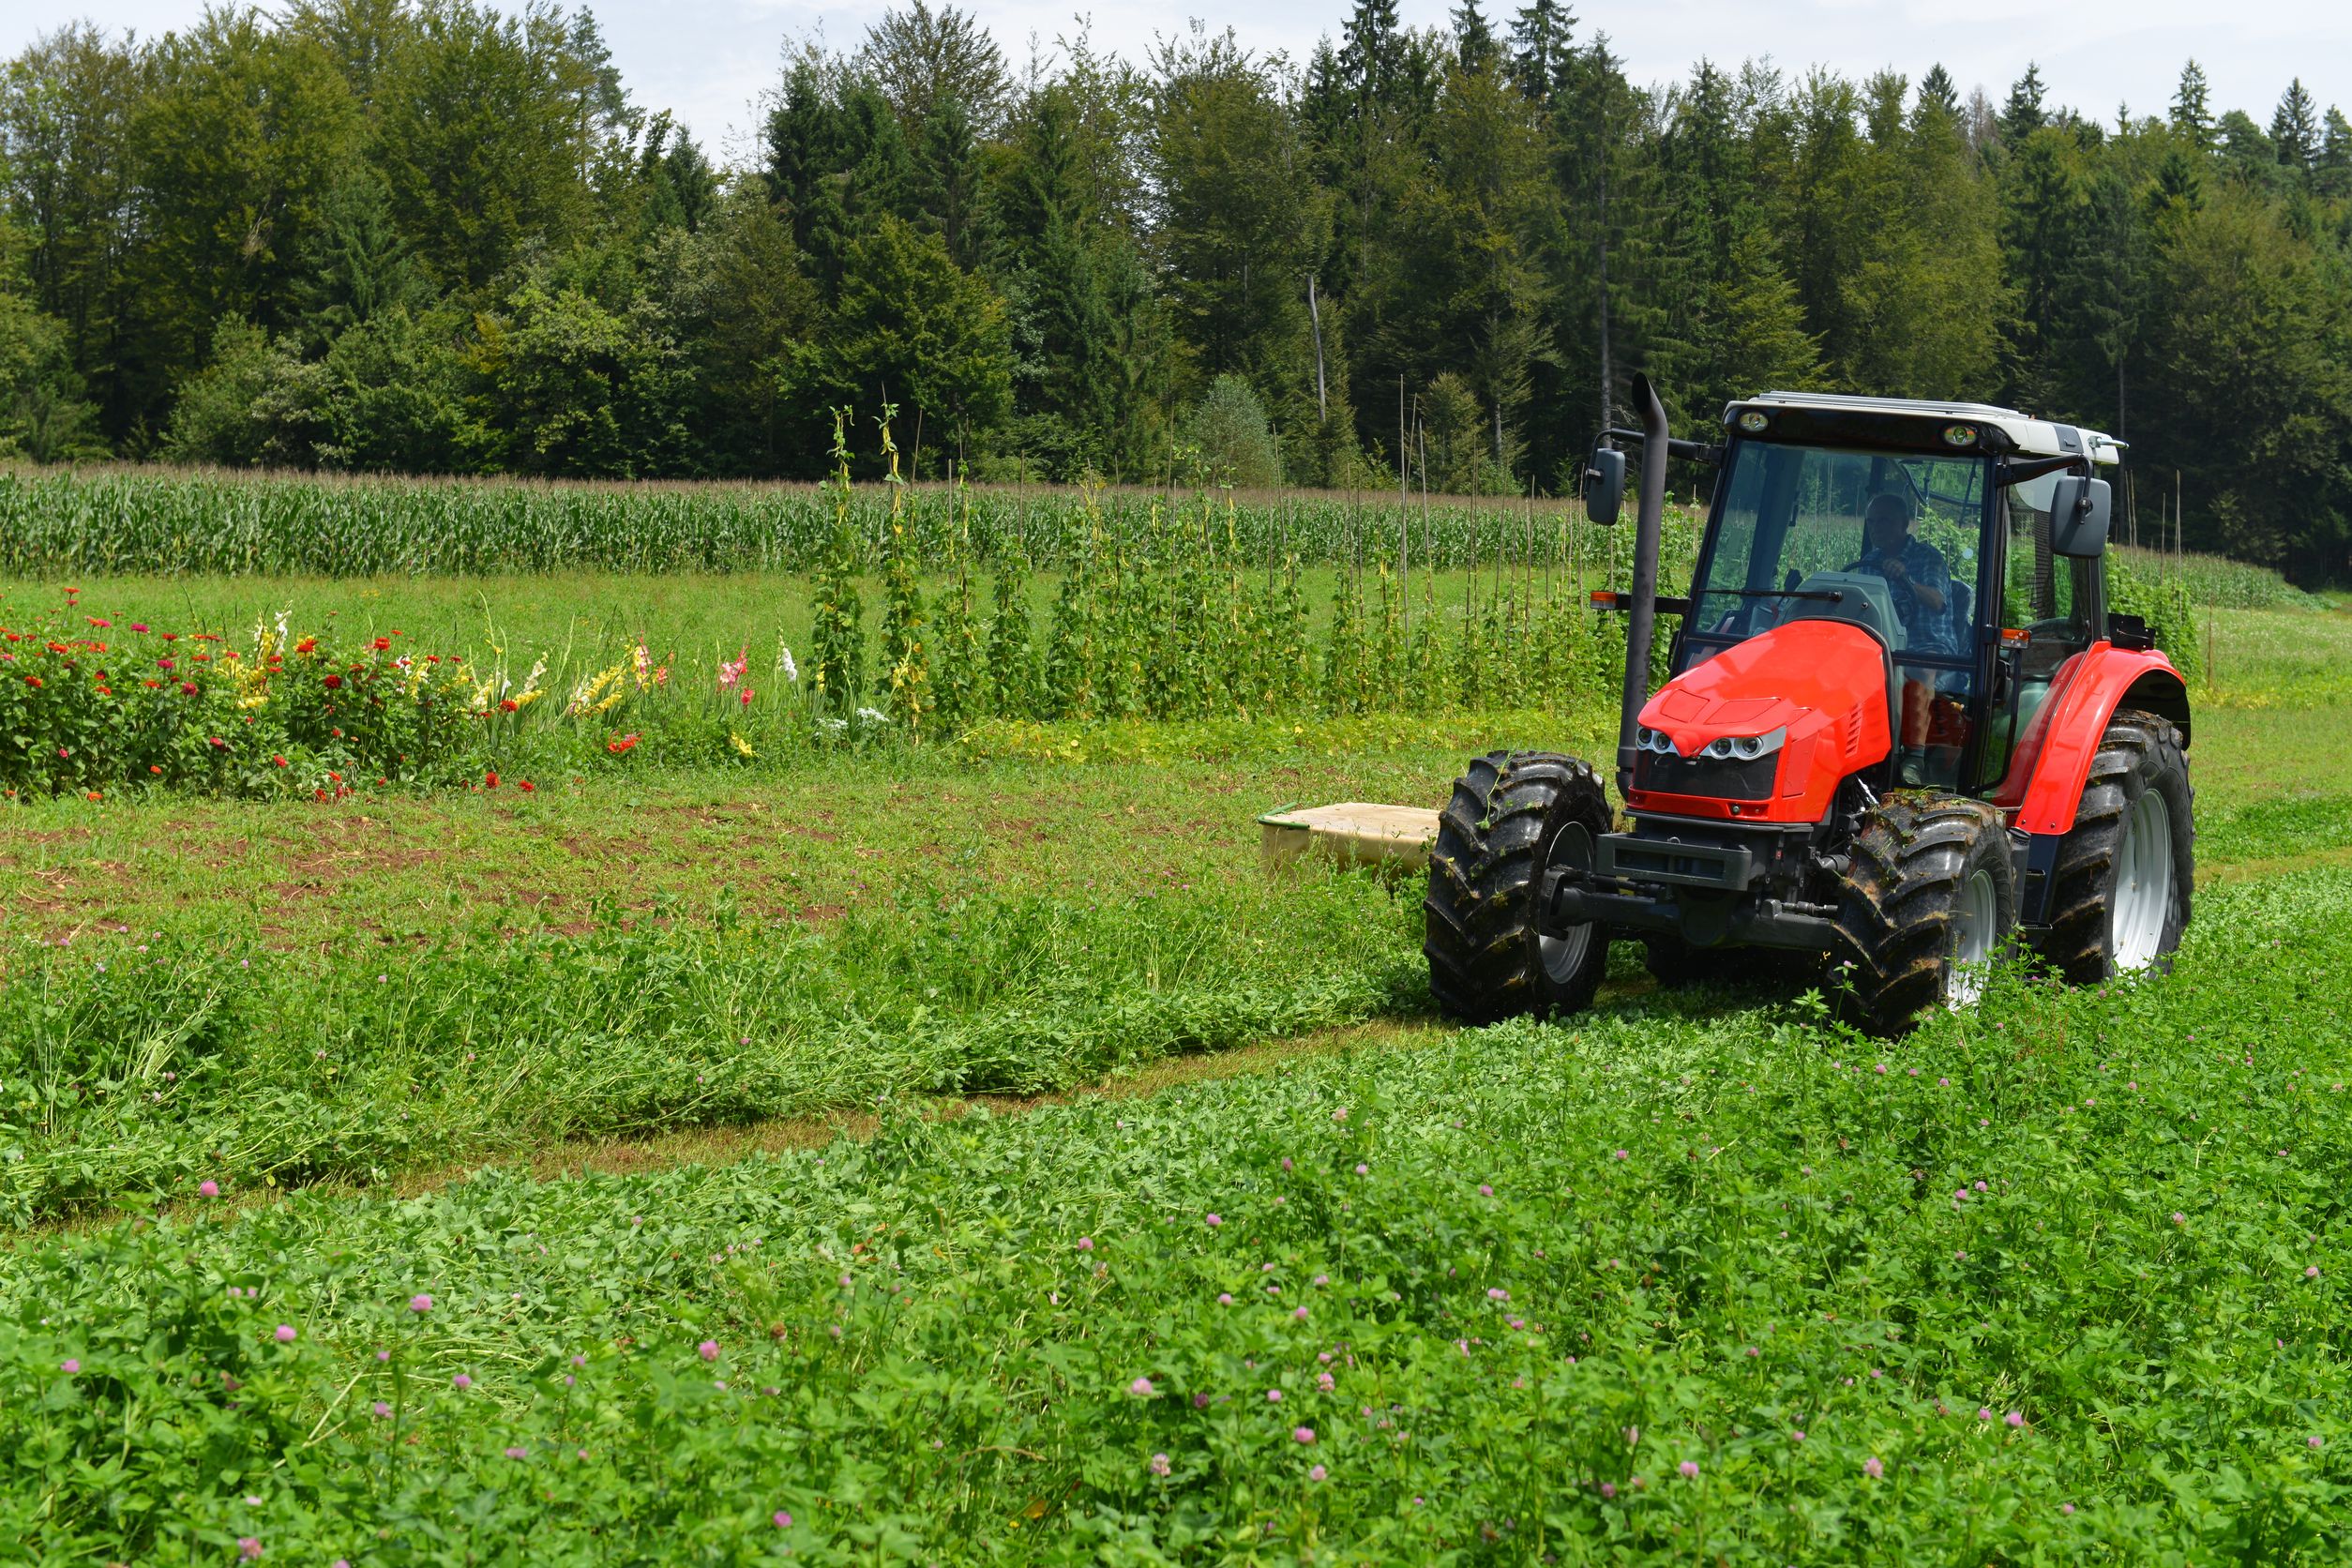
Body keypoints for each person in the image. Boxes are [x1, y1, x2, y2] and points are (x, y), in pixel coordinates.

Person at [1846, 491, 1963, 784]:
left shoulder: (1927, 557)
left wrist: (1906, 580)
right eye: (1871, 522)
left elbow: (1937, 601)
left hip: (1929, 644)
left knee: (1918, 667)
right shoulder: (1870, 561)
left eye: (1884, 521)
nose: (1876, 528)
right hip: (1882, 644)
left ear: (1904, 523)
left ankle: (1914, 757)